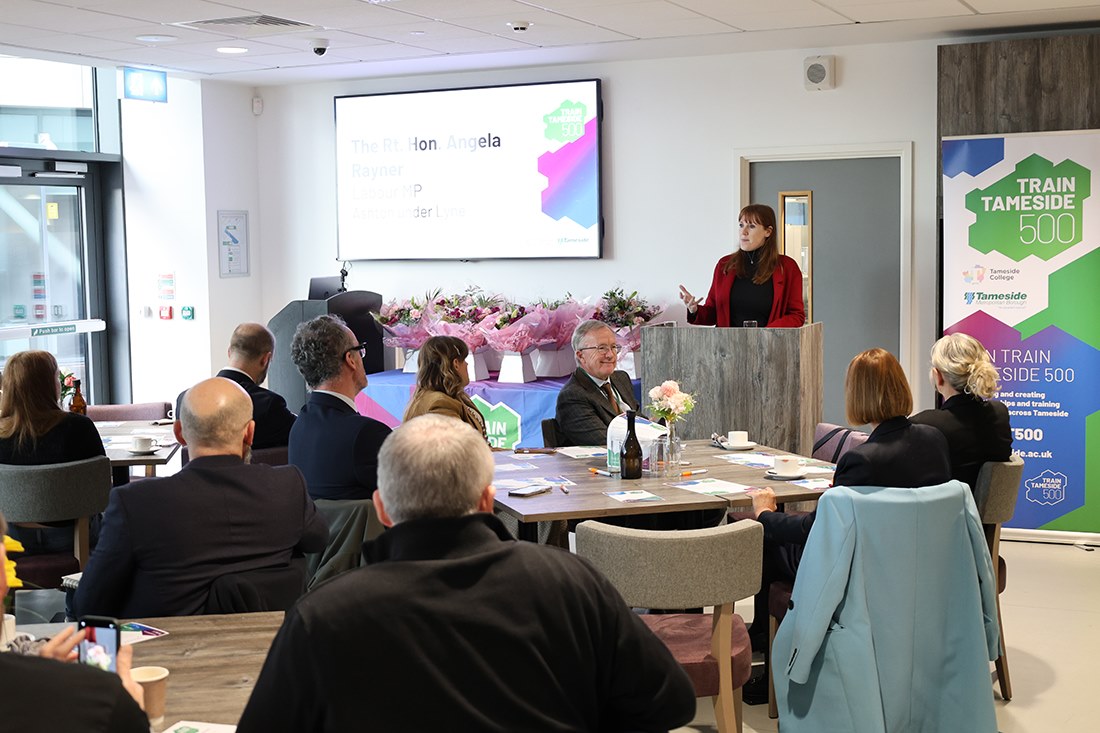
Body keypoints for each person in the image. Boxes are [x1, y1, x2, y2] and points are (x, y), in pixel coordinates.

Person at [237, 415, 696, 733]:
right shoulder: (570, 581)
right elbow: (671, 702)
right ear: (485, 500)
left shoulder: (322, 616)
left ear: (383, 510)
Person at [743, 348, 951, 704]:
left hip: (860, 571)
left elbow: (817, 533)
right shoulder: (934, 440)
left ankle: (768, 662)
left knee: (769, 540)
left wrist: (764, 514)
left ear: (857, 394)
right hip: (917, 566)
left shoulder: (860, 459)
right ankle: (764, 636)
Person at [73, 377, 328, 618]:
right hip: (269, 653)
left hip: (164, 659)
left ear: (179, 433)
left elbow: (89, 604)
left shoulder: (134, 504)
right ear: (250, 432)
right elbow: (318, 540)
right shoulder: (287, 486)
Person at [0, 512, 149, 732]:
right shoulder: (106, 704)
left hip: (21, 529)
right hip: (71, 532)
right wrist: (125, 709)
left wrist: (40, 678)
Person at [0, 350, 106, 555]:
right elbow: (102, 489)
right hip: (74, 536)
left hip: (11, 539)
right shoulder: (78, 428)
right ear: (48, 385)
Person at [288, 315, 392, 500]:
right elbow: (413, 496)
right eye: (360, 350)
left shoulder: (300, 424)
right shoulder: (366, 434)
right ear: (351, 359)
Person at [911, 332, 1012, 491]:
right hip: (982, 515)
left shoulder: (923, 425)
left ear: (938, 376)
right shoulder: (999, 414)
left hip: (943, 514)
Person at [679, 203, 806, 328]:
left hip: (770, 346)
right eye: (741, 225)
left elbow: (796, 316)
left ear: (768, 231)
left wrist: (768, 333)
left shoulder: (787, 267)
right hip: (727, 347)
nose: (743, 232)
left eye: (751, 226)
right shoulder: (724, 265)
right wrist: (694, 310)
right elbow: (713, 314)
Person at [176, 323, 296, 449]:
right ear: (265, 359)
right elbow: (302, 435)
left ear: (229, 352)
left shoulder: (185, 399)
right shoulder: (269, 405)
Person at [554, 319, 639, 446]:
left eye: (613, 347)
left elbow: (640, 421)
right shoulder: (572, 396)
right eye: (602, 348)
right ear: (581, 356)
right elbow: (605, 443)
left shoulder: (621, 378)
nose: (610, 355)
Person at [402, 335, 487, 440]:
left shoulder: (453, 396)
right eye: (464, 359)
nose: (467, 364)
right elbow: (452, 449)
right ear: (456, 364)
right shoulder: (439, 402)